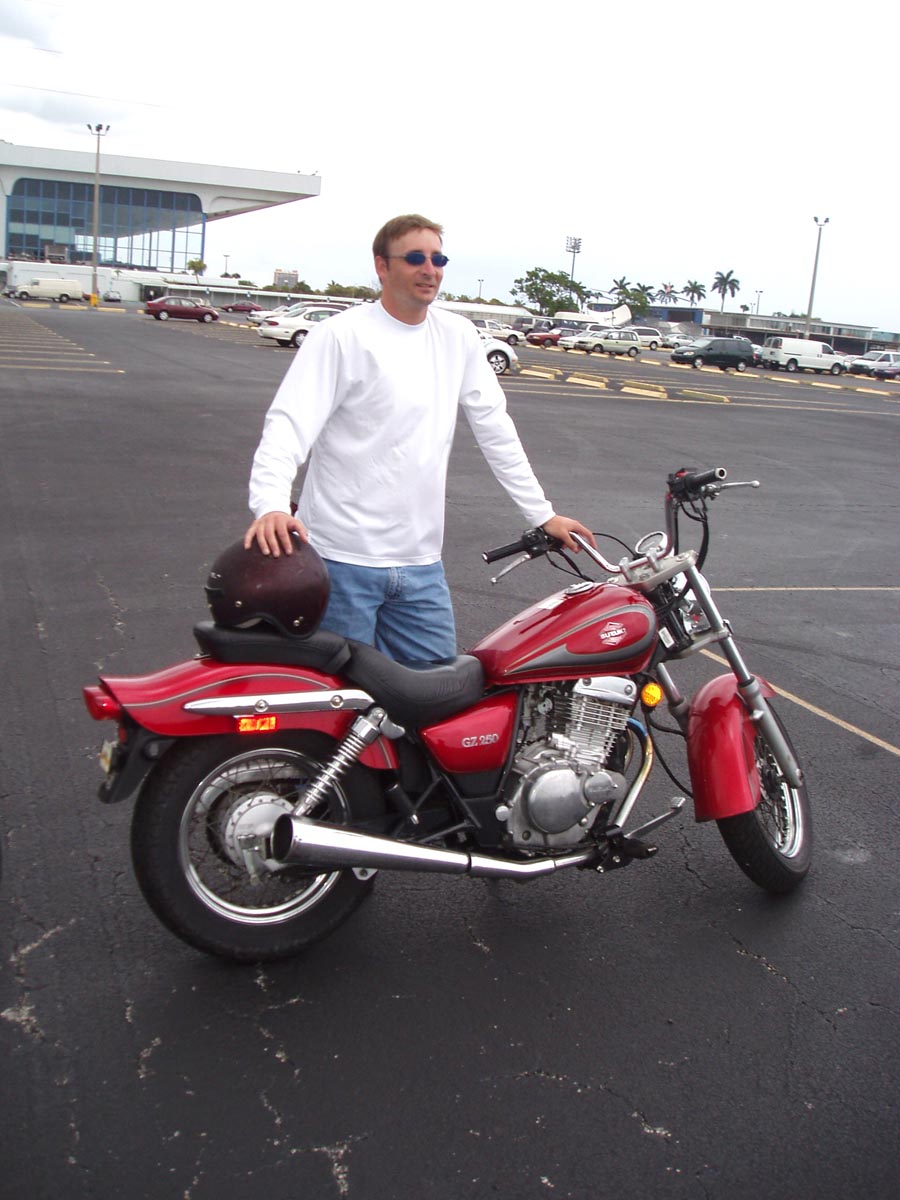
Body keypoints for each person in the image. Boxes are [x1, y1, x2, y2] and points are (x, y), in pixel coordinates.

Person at [244, 213, 595, 663]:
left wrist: (542, 514)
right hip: (340, 561)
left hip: (420, 565)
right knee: (342, 695)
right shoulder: (341, 336)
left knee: (436, 693)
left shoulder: (458, 336)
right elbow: (288, 424)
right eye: (415, 258)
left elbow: (495, 428)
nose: (430, 269)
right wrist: (271, 504)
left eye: (437, 259)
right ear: (382, 266)